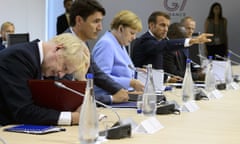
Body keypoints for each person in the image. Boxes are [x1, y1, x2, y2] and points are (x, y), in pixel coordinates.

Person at [0, 33, 90, 126]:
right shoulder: (19, 57)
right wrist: (73, 118)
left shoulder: (45, 64)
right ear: (58, 48)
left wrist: (82, 77)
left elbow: (51, 105)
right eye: (64, 67)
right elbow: (23, 111)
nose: (61, 75)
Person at [65, 0, 129, 104]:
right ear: (79, 20)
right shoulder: (66, 46)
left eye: (100, 22)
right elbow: (71, 93)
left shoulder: (82, 42)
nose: (100, 27)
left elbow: (97, 73)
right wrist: (111, 98)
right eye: (96, 22)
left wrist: (119, 90)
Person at [131, 11, 212, 72]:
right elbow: (163, 45)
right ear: (152, 25)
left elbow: (159, 69)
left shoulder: (161, 41)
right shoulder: (145, 41)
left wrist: (169, 78)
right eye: (162, 25)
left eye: (167, 26)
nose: (166, 29)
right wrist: (192, 40)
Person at [92, 10, 144, 96]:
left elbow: (120, 68)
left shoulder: (119, 42)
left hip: (122, 95)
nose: (134, 37)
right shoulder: (106, 44)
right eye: (132, 33)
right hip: (107, 98)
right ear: (120, 29)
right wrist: (131, 83)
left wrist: (137, 71)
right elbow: (102, 78)